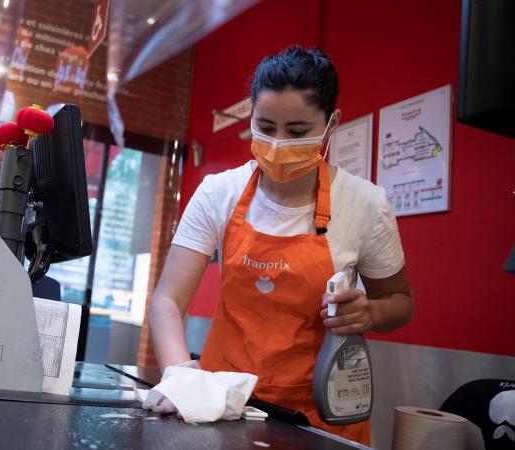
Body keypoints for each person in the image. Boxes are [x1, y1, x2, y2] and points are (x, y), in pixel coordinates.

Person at [147, 45, 414, 444]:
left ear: (331, 124)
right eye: (266, 127)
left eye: (298, 132)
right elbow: (167, 300)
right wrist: (182, 379)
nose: (277, 144)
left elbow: (399, 301)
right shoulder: (219, 192)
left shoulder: (364, 203)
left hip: (319, 418)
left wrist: (370, 313)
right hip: (224, 408)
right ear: (250, 115)